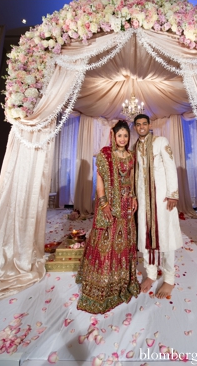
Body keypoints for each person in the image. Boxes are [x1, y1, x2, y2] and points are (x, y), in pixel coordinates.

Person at [76, 120, 140, 314]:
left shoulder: (130, 156)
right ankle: (103, 282)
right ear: (113, 135)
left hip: (127, 204)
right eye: (120, 135)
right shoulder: (105, 154)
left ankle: (121, 281)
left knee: (124, 241)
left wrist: (134, 196)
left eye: (126, 136)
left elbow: (130, 178)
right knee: (107, 241)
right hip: (110, 204)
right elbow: (100, 180)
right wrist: (103, 203)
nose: (122, 139)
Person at [134, 114, 183, 299]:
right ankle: (151, 273)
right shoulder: (136, 147)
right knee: (146, 236)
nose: (141, 127)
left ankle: (169, 277)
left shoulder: (160, 141)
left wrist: (173, 194)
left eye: (144, 124)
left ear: (149, 125)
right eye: (137, 125)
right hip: (144, 201)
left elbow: (171, 167)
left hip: (162, 199)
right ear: (135, 127)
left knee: (166, 235)